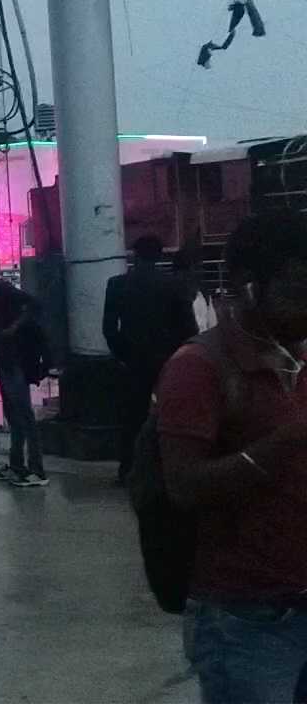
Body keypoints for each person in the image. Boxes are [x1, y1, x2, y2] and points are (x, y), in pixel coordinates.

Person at [155, 211, 307, 703]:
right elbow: (183, 485)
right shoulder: (199, 368)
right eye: (297, 291)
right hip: (246, 618)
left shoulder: (302, 356)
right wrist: (285, 442)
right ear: (248, 285)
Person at [104, 235, 199, 484]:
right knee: (169, 416)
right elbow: (189, 328)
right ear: (159, 256)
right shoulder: (174, 286)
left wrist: (123, 354)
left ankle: (128, 470)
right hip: (166, 361)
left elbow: (109, 329)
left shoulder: (117, 284)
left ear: (134, 255)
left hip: (133, 361)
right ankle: (166, 469)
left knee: (131, 418)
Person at [0, 252, 48, 487]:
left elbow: (34, 305)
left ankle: (37, 469)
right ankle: (16, 464)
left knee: (23, 415)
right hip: (5, 361)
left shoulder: (4, 290)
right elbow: (3, 321)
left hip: (14, 361)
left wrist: (14, 329)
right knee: (14, 415)